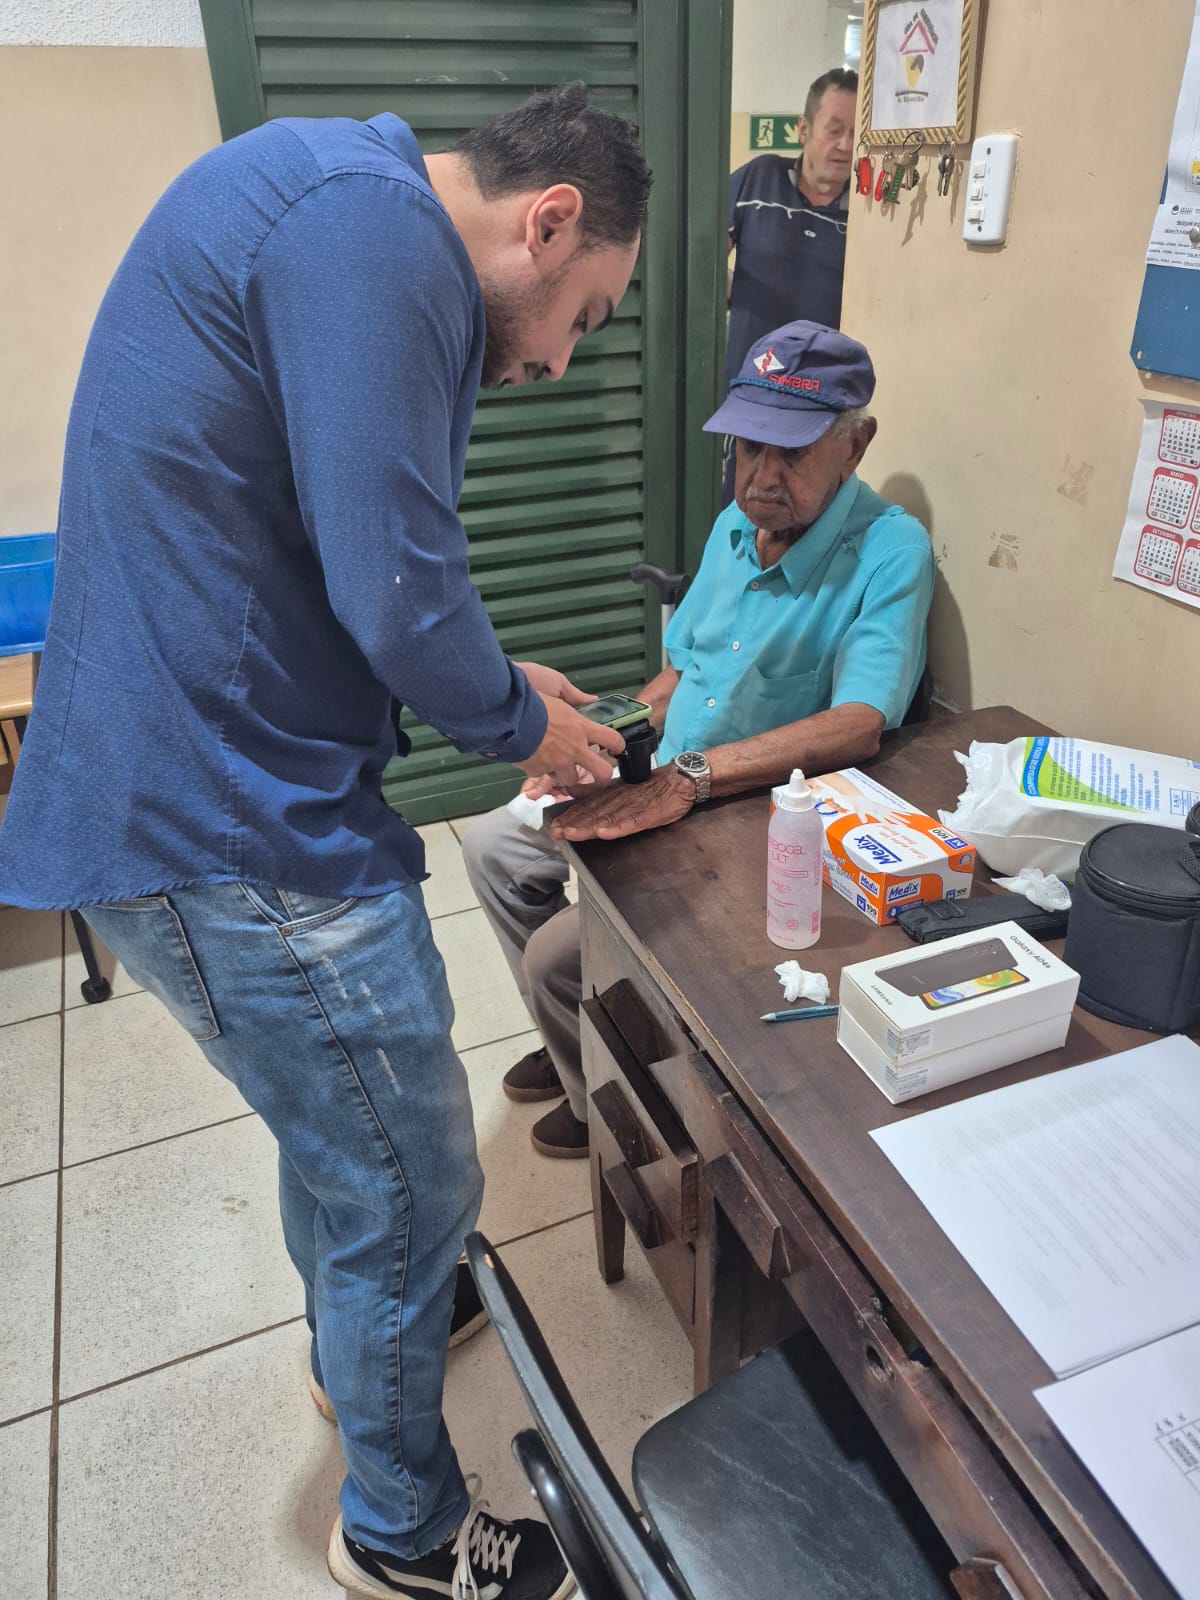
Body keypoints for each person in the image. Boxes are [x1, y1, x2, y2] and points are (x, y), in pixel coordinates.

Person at [0, 86, 651, 1600]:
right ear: (548, 221)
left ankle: (363, 1339)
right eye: (585, 314)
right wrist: (523, 728)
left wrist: (502, 681)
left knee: (346, 1138)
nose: (559, 361)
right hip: (222, 815)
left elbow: (345, 547)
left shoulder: (328, 189)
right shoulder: (376, 237)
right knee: (409, 1171)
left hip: (195, 773)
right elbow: (399, 589)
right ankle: (405, 1533)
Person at [463, 321, 934, 1158]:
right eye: (749, 448)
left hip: (745, 806)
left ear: (856, 446)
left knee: (552, 959)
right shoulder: (733, 526)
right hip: (666, 769)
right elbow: (681, 672)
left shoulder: (890, 551)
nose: (762, 477)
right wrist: (598, 744)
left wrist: (689, 778)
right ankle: (576, 1040)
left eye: (792, 453)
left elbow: (860, 722)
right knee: (494, 848)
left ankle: (595, 1088)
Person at [723, 67, 857, 501]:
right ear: (803, 129)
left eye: (855, 132)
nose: (846, 145)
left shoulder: (869, 209)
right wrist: (735, 292)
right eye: (834, 129)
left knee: (804, 509)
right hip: (751, 393)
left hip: (821, 407)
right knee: (739, 506)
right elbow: (701, 258)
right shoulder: (758, 178)